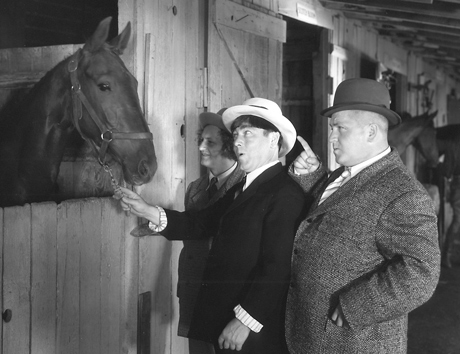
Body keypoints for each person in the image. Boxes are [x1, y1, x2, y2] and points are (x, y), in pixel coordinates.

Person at [116, 98, 306, 353]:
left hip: (253, 333)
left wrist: (245, 321)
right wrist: (146, 209)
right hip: (226, 321)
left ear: (273, 140)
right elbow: (199, 223)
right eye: (236, 134)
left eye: (248, 133)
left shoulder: (285, 193)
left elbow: (278, 268)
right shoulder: (244, 187)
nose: (237, 141)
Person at [285, 78, 441, 353]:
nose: (331, 137)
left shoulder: (403, 193)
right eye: (332, 128)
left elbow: (421, 272)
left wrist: (356, 306)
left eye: (339, 129)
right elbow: (342, 209)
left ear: (371, 132)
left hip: (352, 342)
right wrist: (313, 177)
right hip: (315, 337)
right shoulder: (347, 173)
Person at [178, 108, 245, 353]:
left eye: (210, 142)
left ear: (229, 146)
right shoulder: (196, 188)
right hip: (193, 294)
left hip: (227, 305)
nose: (201, 147)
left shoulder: (245, 186)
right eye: (201, 140)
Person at [438, 139, 460, 268]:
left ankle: (447, 255)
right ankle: (447, 255)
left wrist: (438, 165)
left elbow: (447, 171)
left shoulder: (453, 146)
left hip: (458, 184)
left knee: (457, 220)